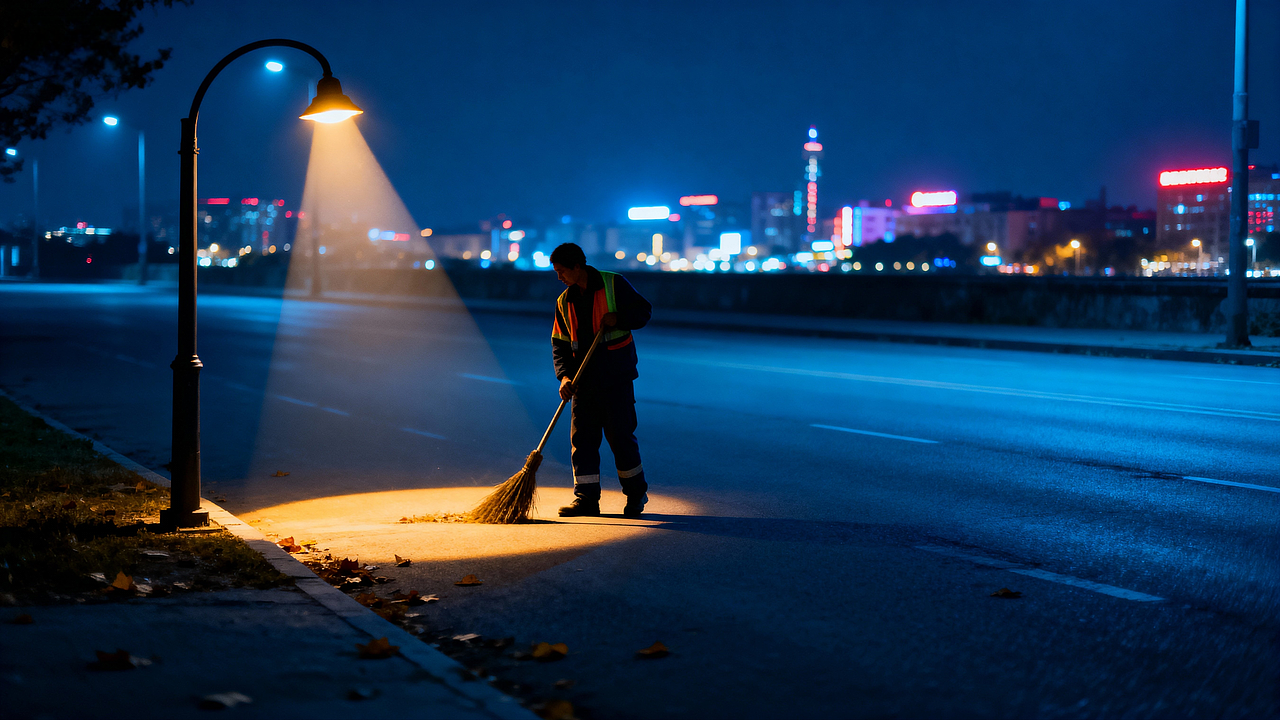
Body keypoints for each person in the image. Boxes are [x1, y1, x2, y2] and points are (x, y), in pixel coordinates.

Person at [549, 242, 652, 518]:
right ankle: (586, 499)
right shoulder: (564, 301)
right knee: (583, 441)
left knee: (620, 438)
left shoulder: (613, 284)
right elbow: (559, 344)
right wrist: (565, 376)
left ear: (577, 267)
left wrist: (618, 318)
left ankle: (635, 495)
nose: (559, 277)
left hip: (615, 378)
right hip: (583, 383)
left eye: (561, 271)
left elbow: (643, 312)